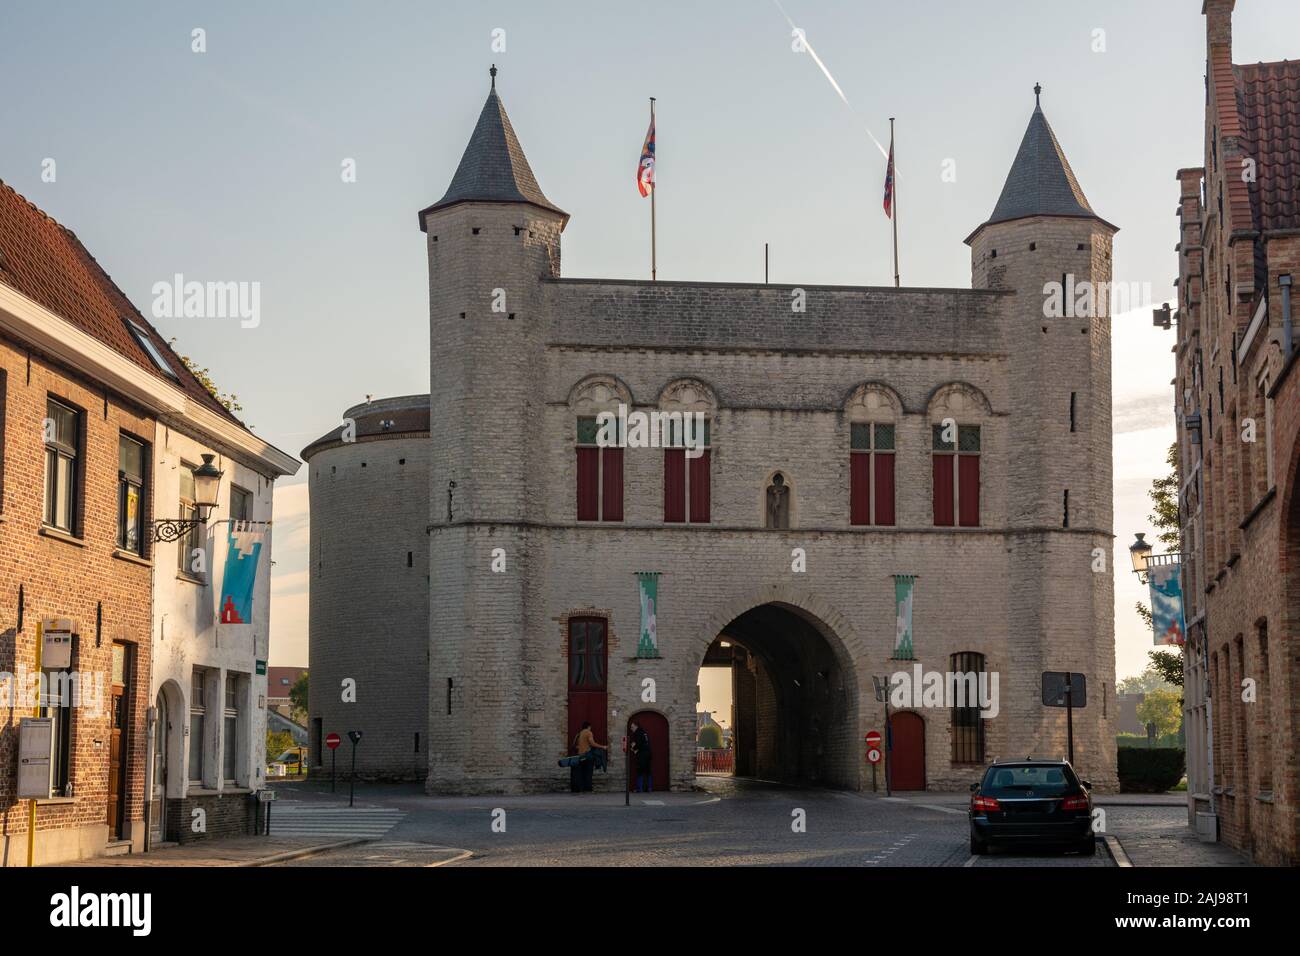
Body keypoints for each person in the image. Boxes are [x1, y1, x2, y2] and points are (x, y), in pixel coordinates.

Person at [574, 721, 608, 793]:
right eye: (590, 727)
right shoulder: (588, 733)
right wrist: (602, 746)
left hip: (580, 755)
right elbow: (592, 743)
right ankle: (588, 789)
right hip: (587, 755)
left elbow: (576, 746)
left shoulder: (580, 733)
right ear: (588, 726)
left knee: (582, 773)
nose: (591, 728)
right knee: (589, 772)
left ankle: (581, 789)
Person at [629, 720, 653, 793]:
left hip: (642, 754)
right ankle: (649, 788)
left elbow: (638, 744)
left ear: (636, 726)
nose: (631, 728)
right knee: (648, 771)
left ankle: (640, 788)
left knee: (640, 771)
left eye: (632, 727)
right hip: (648, 753)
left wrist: (633, 748)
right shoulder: (644, 732)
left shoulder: (638, 733)